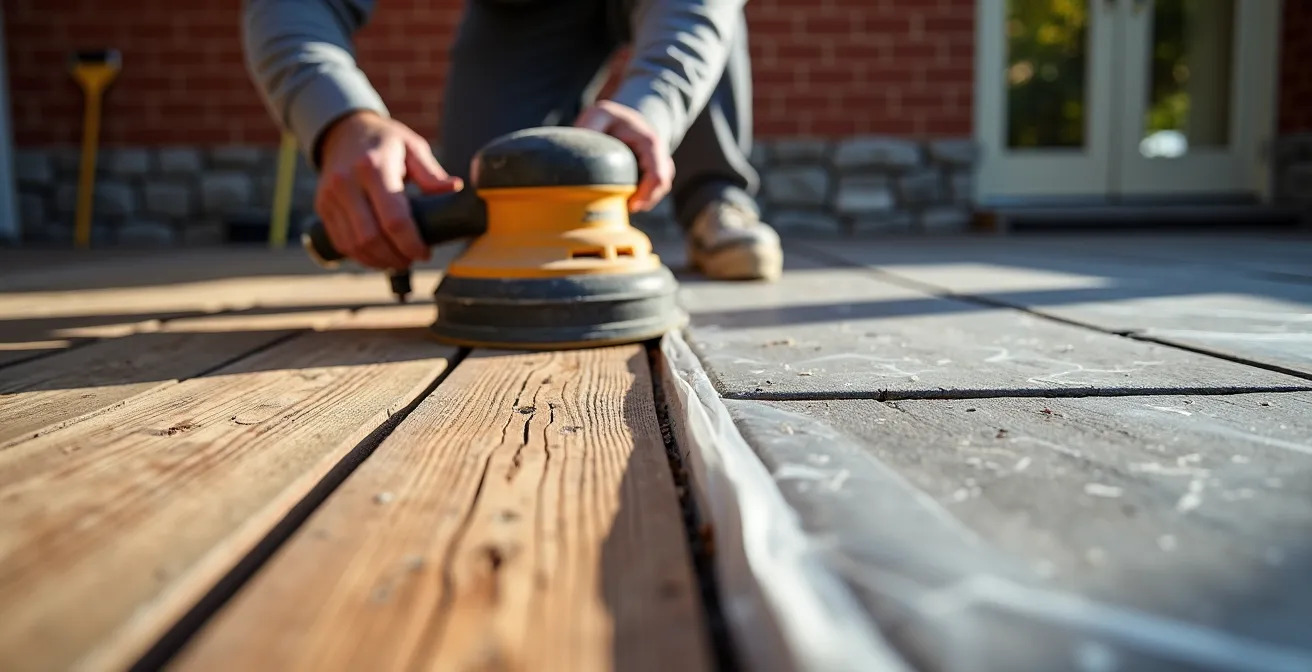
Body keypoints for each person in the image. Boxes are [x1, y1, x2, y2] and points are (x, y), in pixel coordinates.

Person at [241, 0, 782, 282]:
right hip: (523, 15)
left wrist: (654, 103)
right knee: (489, 190)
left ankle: (715, 199)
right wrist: (340, 119)